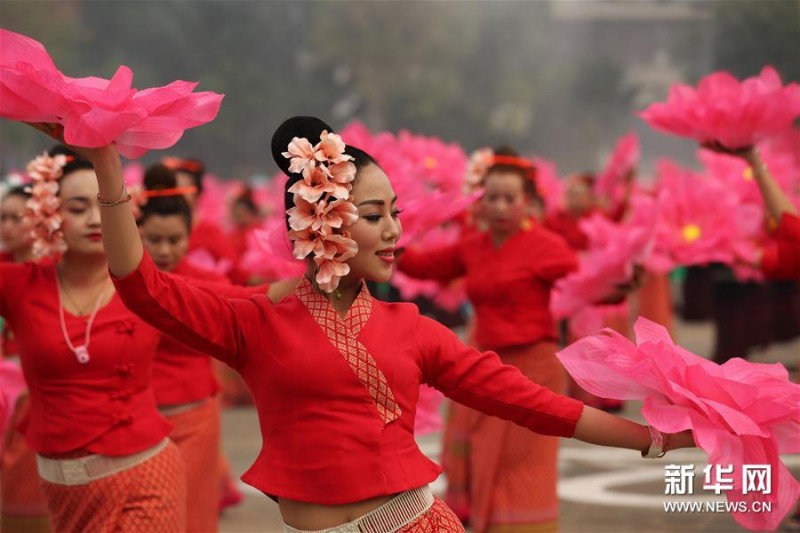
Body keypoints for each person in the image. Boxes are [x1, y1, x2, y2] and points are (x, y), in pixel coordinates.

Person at [36, 116, 693, 533]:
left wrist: (658, 437)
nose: (396, 230)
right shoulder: (255, 317)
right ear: (325, 220)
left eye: (395, 213)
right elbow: (143, 287)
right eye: (376, 214)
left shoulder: (415, 330)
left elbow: (534, 403)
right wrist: (105, 163)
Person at [397, 149, 622, 531]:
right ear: (479, 202)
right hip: (484, 369)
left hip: (535, 367)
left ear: (528, 203)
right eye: (492, 197)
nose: (500, 207)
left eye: (510, 198)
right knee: (487, 459)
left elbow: (585, 287)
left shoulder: (547, 246)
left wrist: (618, 285)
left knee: (522, 465)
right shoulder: (473, 247)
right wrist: (385, 234)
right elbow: (423, 267)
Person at [0, 147, 186, 532]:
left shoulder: (148, 287)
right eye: (77, 206)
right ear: (48, 212)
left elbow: (239, 302)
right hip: (61, 489)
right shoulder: (19, 283)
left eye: (103, 205)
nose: (94, 219)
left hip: (145, 475)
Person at [0, 186, 51, 533]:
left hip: (29, 390)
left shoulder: (52, 275)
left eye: (15, 218)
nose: (6, 227)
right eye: (1, 218)